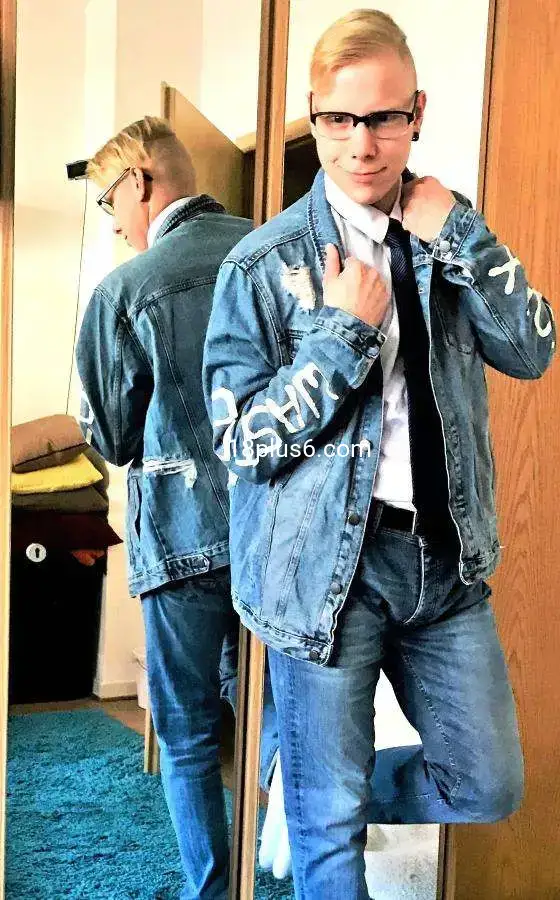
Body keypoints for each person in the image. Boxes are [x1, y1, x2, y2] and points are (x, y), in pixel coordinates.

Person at [203, 9, 557, 900]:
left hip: (445, 564)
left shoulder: (449, 237)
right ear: (315, 117)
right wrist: (338, 337)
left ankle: (312, 790)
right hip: (325, 572)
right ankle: (318, 799)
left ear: (417, 114)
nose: (362, 144)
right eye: (339, 119)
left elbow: (532, 350)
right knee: (328, 839)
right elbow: (241, 443)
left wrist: (463, 233)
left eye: (384, 118)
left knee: (487, 785)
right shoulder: (261, 265)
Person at [76, 116, 278, 900]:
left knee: (188, 731)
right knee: (276, 714)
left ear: (140, 182)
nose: (113, 222)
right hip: (277, 532)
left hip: (183, 534)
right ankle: (298, 860)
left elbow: (116, 437)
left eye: (108, 202)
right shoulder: (276, 249)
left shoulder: (126, 289)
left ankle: (213, 892)